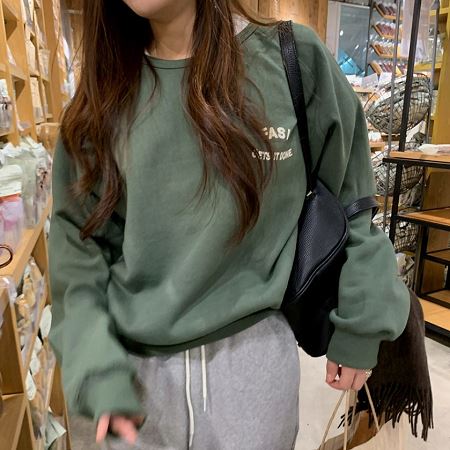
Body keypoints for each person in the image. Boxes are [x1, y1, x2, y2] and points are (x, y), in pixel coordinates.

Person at [48, 1, 410, 449]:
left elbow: (354, 204)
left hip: (254, 371)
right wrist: (92, 362)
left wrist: (362, 320)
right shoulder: (102, 96)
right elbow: (78, 244)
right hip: (126, 381)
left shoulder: (290, 59)